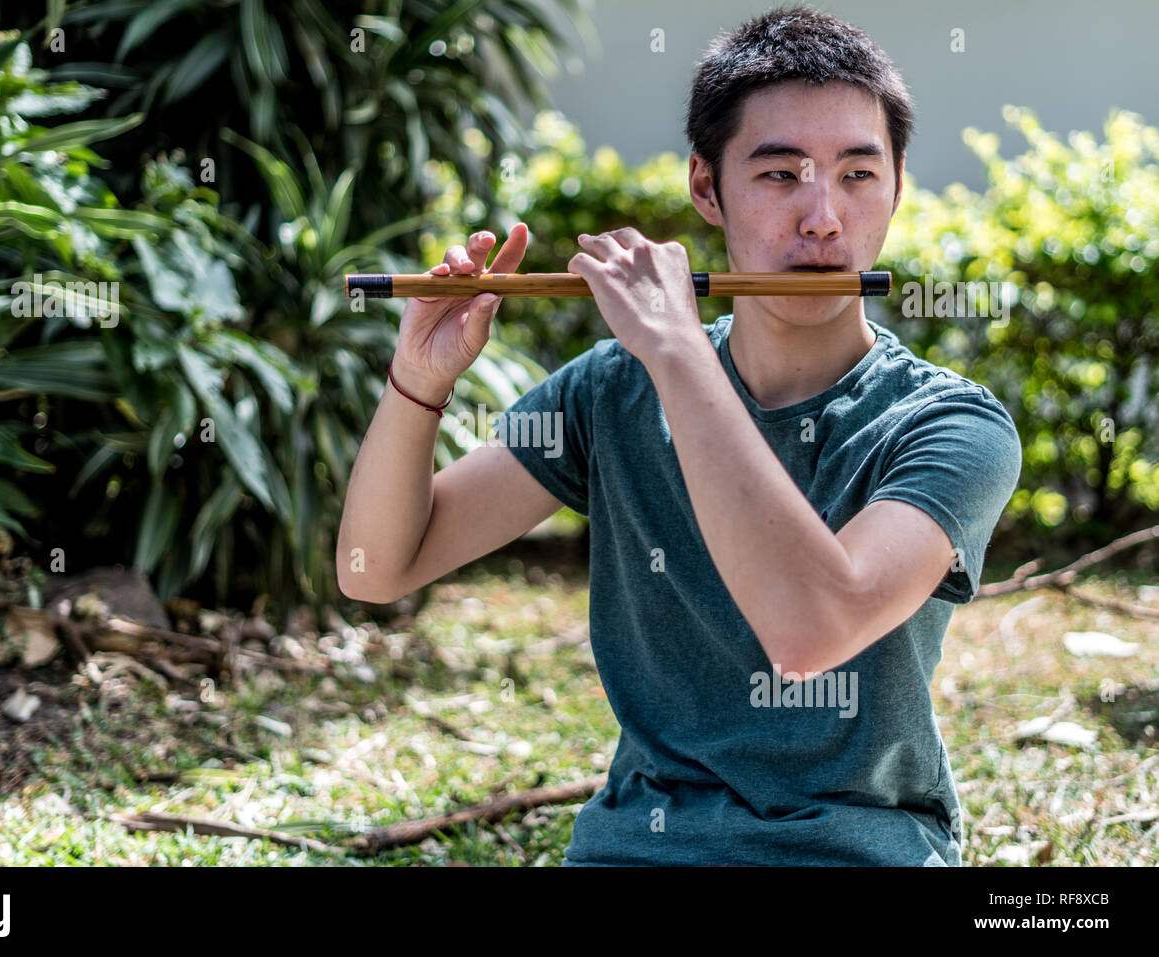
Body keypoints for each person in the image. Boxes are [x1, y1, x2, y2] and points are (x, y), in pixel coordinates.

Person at [336, 3, 1023, 865]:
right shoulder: (610, 390)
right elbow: (376, 567)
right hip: (640, 847)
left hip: (857, 849)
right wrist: (419, 382)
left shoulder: (949, 425)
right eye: (780, 175)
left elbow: (810, 632)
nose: (823, 217)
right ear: (706, 187)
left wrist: (676, 354)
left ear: (897, 184)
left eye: (857, 174)